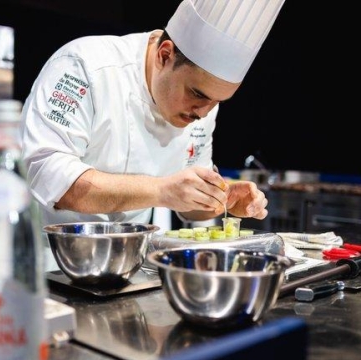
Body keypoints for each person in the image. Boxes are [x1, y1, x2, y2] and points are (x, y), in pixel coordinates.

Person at [20, 0, 286, 227]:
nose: (204, 113)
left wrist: (221, 200)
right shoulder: (84, 67)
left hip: (132, 258)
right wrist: (162, 191)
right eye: (197, 94)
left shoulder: (201, 108)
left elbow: (188, 203)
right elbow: (47, 175)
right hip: (50, 258)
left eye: (217, 102)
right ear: (164, 55)